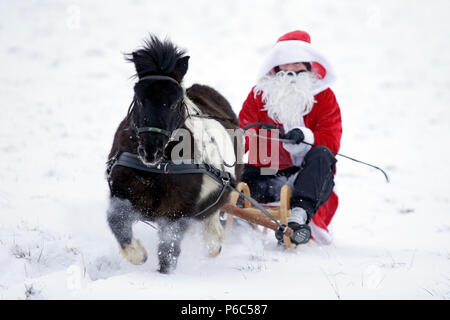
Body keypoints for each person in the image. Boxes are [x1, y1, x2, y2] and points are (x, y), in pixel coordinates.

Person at [238, 30, 342, 245]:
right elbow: (243, 131)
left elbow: (331, 140)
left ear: (308, 65)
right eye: (285, 65)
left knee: (323, 156)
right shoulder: (259, 96)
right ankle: (235, 218)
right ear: (275, 67)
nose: (291, 71)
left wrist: (306, 137)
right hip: (267, 170)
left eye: (297, 65)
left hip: (309, 177)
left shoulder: (325, 96)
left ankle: (299, 215)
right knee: (239, 174)